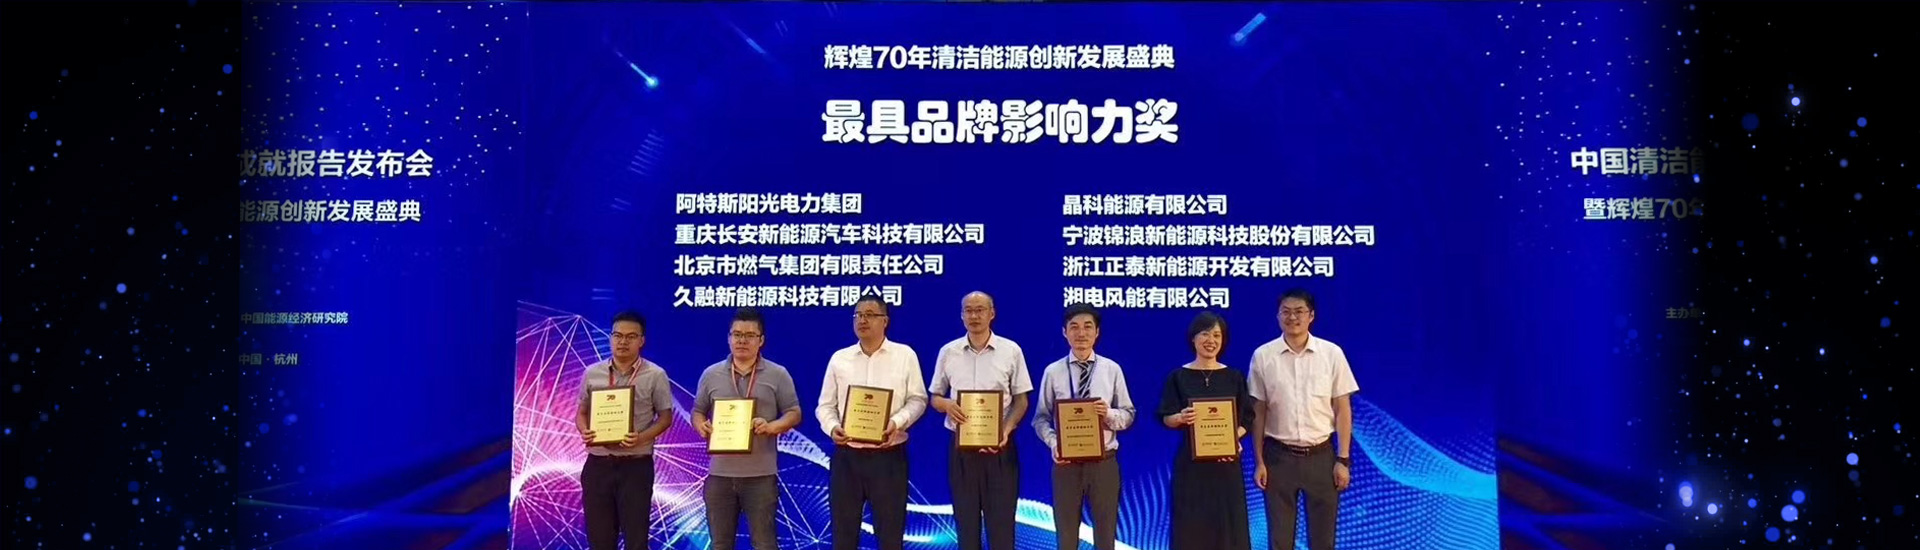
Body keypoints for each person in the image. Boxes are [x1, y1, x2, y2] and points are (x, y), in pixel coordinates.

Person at [815, 295, 929, 550]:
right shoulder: (840, 358)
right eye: (857, 315)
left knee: (890, 536)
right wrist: (833, 427)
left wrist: (897, 422)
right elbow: (825, 406)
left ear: (885, 321)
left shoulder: (904, 355)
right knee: (843, 536)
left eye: (869, 315)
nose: (862, 320)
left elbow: (918, 399)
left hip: (888, 458)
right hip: (847, 458)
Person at [1250, 289, 1359, 550]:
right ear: (1278, 316)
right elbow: (1258, 412)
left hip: (1322, 457)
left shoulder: (1331, 354)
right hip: (1278, 457)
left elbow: (1343, 409)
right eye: (1286, 312)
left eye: (1299, 311)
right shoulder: (1263, 356)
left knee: (1323, 540)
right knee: (1279, 540)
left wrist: (1343, 459)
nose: (1292, 317)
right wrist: (1259, 461)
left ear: (1311, 316)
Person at [691, 307, 802, 550]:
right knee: (720, 544)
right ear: (728, 338)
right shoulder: (711, 374)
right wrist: (701, 424)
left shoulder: (778, 374)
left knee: (764, 544)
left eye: (749, 335)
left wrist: (771, 426)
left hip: (760, 476)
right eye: (737, 334)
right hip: (719, 475)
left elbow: (794, 413)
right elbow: (697, 411)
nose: (742, 340)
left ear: (761, 340)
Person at [928, 292, 1032, 550]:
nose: (974, 316)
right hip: (961, 451)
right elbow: (935, 397)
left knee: (1002, 529)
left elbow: (1021, 401)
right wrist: (947, 405)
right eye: (968, 310)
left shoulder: (1011, 351)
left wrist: (1006, 430)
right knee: (966, 527)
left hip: (1000, 450)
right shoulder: (948, 352)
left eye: (980, 310)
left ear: (992, 313)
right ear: (961, 315)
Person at [1032, 303, 1136, 550]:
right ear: (1064, 332)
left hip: (1104, 463)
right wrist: (1055, 443)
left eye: (1088, 327)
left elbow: (1129, 414)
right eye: (1074, 327)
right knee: (1066, 537)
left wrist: (1108, 414)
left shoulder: (1112, 369)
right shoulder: (1053, 372)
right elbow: (1040, 418)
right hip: (1066, 465)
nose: (1081, 333)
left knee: (1105, 536)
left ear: (1097, 332)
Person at [575, 310, 676, 550]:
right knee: (600, 540)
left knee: (636, 540)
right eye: (617, 335)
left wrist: (641, 438)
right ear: (610, 338)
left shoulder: (655, 375)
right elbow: (581, 413)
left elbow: (665, 418)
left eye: (631, 337)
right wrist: (584, 430)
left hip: (636, 467)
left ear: (642, 340)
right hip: (598, 465)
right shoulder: (592, 373)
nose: (623, 341)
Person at [1158, 310, 1256, 550]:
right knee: (1192, 528)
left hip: (1226, 464)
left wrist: (1231, 438)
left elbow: (1247, 418)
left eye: (1217, 335)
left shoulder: (1234, 376)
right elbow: (1165, 417)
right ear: (1193, 338)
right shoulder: (1178, 377)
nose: (1211, 340)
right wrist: (1180, 417)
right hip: (1191, 467)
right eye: (1204, 334)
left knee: (1228, 527)